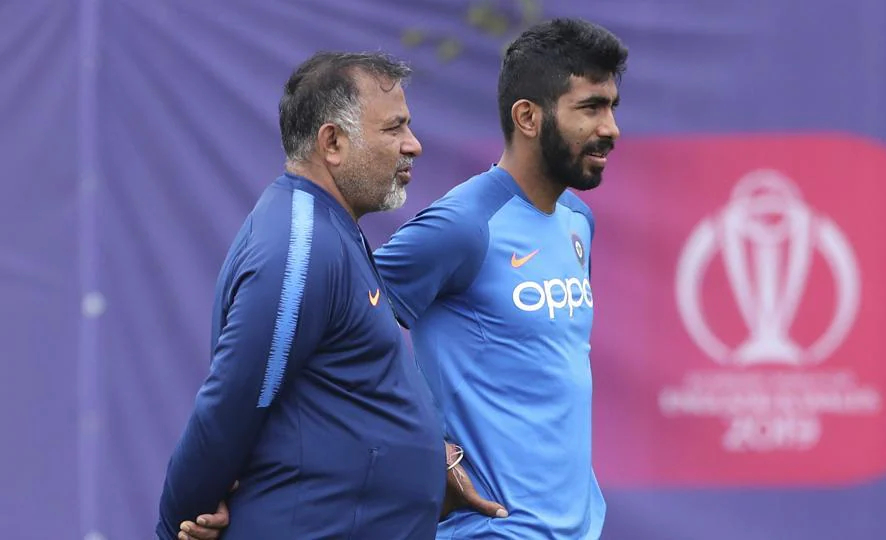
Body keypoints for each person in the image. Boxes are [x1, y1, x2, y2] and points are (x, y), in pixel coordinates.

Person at [186, 16, 627, 540]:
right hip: (490, 530)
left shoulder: (579, 220)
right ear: (528, 117)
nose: (611, 128)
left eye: (612, 107)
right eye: (591, 108)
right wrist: (427, 451)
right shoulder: (463, 225)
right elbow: (344, 330)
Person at [156, 51, 450, 540]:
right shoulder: (301, 249)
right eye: (394, 128)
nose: (413, 145)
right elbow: (229, 407)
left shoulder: (331, 229)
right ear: (332, 142)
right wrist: (179, 525)